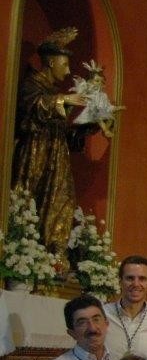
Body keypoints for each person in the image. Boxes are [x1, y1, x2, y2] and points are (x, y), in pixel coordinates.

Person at [11, 26, 88, 255]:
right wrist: (61, 100)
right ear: (51, 62)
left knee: (62, 200)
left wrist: (89, 125)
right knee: (30, 201)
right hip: (35, 153)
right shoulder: (32, 84)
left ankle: (54, 253)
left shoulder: (52, 91)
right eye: (65, 65)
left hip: (57, 156)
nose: (68, 71)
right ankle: (24, 250)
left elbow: (64, 133)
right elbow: (33, 107)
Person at [104, 255, 147, 360]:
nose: (136, 284)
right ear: (120, 282)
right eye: (130, 278)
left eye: (142, 279)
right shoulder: (103, 315)